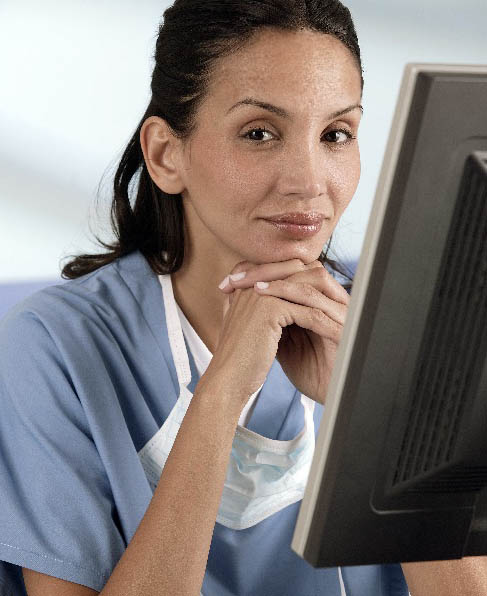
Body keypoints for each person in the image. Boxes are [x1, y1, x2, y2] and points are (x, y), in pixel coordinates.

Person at [0, 1, 414, 594]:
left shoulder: (395, 332)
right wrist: (220, 396)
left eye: (335, 134)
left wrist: (377, 416)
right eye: (259, 133)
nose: (309, 180)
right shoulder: (52, 347)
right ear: (167, 155)